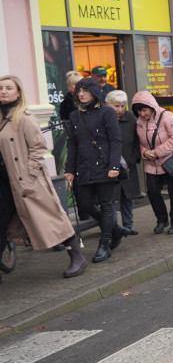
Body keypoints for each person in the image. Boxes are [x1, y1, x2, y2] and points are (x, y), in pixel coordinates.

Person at [0, 75, 86, 280]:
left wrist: (28, 175)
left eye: (8, 88)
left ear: (18, 92)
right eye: (0, 88)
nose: (3, 91)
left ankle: (77, 257)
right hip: (5, 181)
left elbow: (39, 149)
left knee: (52, 220)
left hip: (26, 181)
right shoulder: (2, 118)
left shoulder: (24, 117)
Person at [65, 77, 123, 263]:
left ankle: (104, 244)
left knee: (106, 205)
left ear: (94, 92)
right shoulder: (75, 115)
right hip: (83, 167)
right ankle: (115, 229)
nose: (81, 94)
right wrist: (69, 170)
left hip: (104, 165)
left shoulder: (107, 112)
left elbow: (115, 140)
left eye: (85, 91)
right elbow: (72, 144)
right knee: (85, 204)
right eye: (79, 91)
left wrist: (114, 166)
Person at [132, 91, 173, 235]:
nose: (142, 113)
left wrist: (156, 152)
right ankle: (162, 220)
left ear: (152, 106)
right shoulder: (139, 122)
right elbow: (137, 142)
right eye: (139, 111)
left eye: (144, 110)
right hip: (152, 163)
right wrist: (145, 152)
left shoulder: (167, 117)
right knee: (152, 192)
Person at [105, 90, 140, 235]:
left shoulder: (130, 117)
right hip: (110, 165)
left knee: (128, 196)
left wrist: (135, 156)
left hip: (128, 163)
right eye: (116, 106)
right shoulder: (104, 118)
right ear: (107, 105)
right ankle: (114, 228)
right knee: (111, 198)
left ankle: (128, 225)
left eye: (122, 106)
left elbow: (137, 138)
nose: (120, 109)